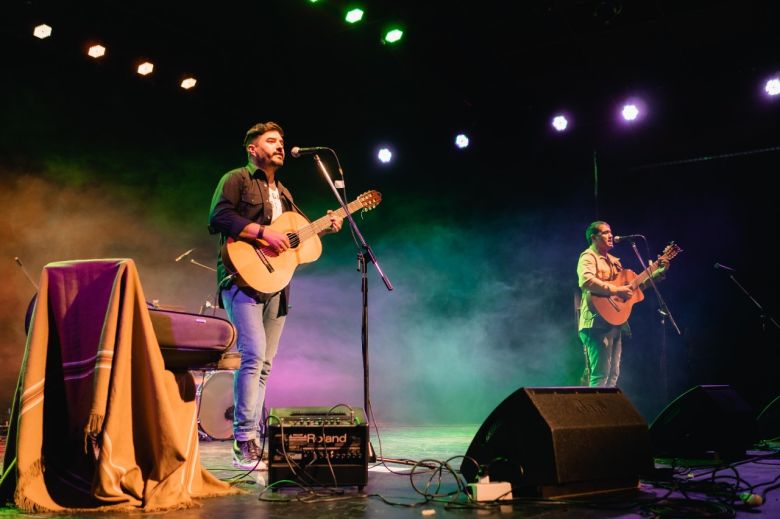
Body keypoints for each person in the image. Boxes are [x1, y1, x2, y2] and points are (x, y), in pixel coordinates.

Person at [208, 121, 343, 470]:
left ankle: (253, 437)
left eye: (282, 140)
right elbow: (219, 216)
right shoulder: (236, 179)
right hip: (242, 279)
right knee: (252, 357)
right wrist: (262, 233)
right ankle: (244, 441)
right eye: (271, 140)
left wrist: (325, 227)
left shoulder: (284, 193)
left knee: (265, 366)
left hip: (277, 286)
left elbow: (295, 244)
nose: (280, 145)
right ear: (253, 149)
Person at [576, 221, 666, 387]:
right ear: (594, 237)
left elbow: (631, 291)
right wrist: (616, 290)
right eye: (605, 232)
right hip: (595, 322)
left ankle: (606, 410)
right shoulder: (588, 256)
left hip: (615, 321)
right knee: (600, 374)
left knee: (613, 374)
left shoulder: (614, 261)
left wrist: (657, 274)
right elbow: (586, 281)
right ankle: (595, 412)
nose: (610, 235)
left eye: (610, 232)